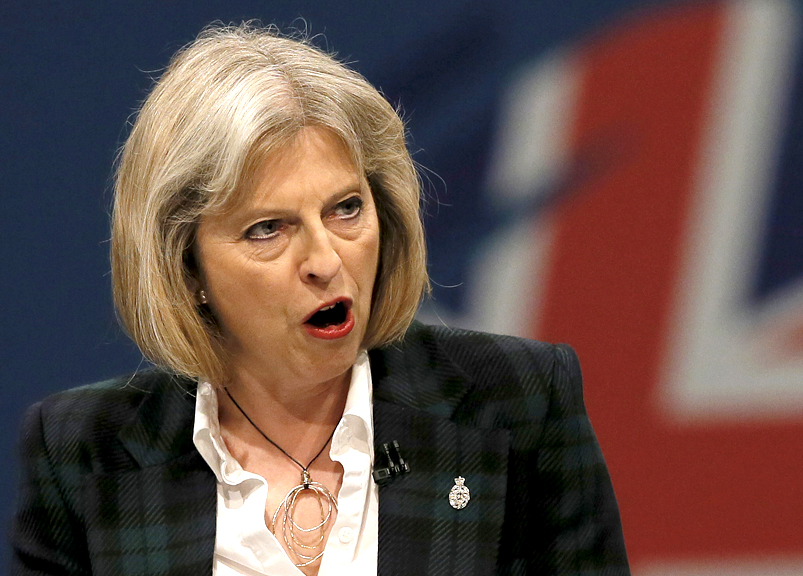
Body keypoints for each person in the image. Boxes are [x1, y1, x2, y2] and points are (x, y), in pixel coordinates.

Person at [11, 24, 629, 576]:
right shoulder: (85, 455)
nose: (326, 261)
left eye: (345, 209)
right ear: (187, 264)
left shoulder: (517, 403)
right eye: (267, 229)